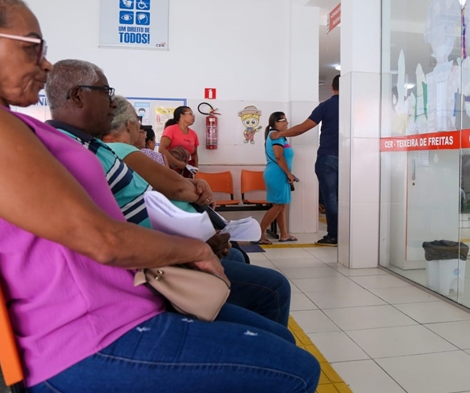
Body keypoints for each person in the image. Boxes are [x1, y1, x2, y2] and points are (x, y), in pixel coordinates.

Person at [0, 0, 318, 393]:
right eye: (33, 47)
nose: (46, 64)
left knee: (280, 340)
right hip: (89, 340)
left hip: (115, 314)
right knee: (297, 370)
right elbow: (101, 238)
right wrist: (194, 250)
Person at [45, 64, 292, 326]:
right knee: (273, 290)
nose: (111, 103)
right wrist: (191, 249)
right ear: (78, 96)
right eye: (106, 92)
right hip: (153, 269)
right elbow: (111, 234)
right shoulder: (72, 151)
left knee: (249, 277)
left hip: (167, 250)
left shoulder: (93, 146)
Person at [272, 74, 339, 246]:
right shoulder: (354, 106)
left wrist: (281, 133)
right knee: (346, 197)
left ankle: (334, 236)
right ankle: (347, 235)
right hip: (350, 158)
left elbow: (303, 127)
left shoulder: (325, 106)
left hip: (328, 157)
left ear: (332, 87)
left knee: (330, 198)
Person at [256, 112, 297, 244]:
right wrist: (288, 173)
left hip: (279, 173)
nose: (286, 123)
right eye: (282, 120)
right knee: (278, 206)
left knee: (281, 205)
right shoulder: (276, 136)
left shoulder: (279, 136)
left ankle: (284, 234)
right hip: (277, 174)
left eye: (286, 120)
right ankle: (259, 233)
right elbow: (278, 157)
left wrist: (288, 173)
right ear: (274, 122)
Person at [159, 106, 199, 177]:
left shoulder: (193, 134)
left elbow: (194, 154)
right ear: (181, 115)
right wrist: (177, 163)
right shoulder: (171, 129)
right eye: (190, 114)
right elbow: (162, 149)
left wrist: (195, 168)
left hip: (185, 170)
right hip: (170, 169)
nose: (193, 116)